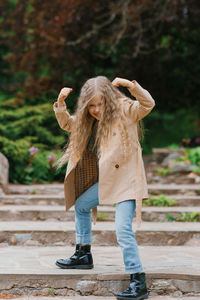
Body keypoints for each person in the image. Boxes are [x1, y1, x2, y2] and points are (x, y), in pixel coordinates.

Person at [53, 76, 155, 300]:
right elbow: (69, 124)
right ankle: (83, 254)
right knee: (81, 206)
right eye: (91, 105)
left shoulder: (126, 110)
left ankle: (138, 280)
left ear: (109, 98)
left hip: (127, 182)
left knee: (123, 230)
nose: (96, 110)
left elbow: (148, 104)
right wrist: (60, 104)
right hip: (109, 181)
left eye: (100, 104)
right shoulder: (89, 120)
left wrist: (132, 87)